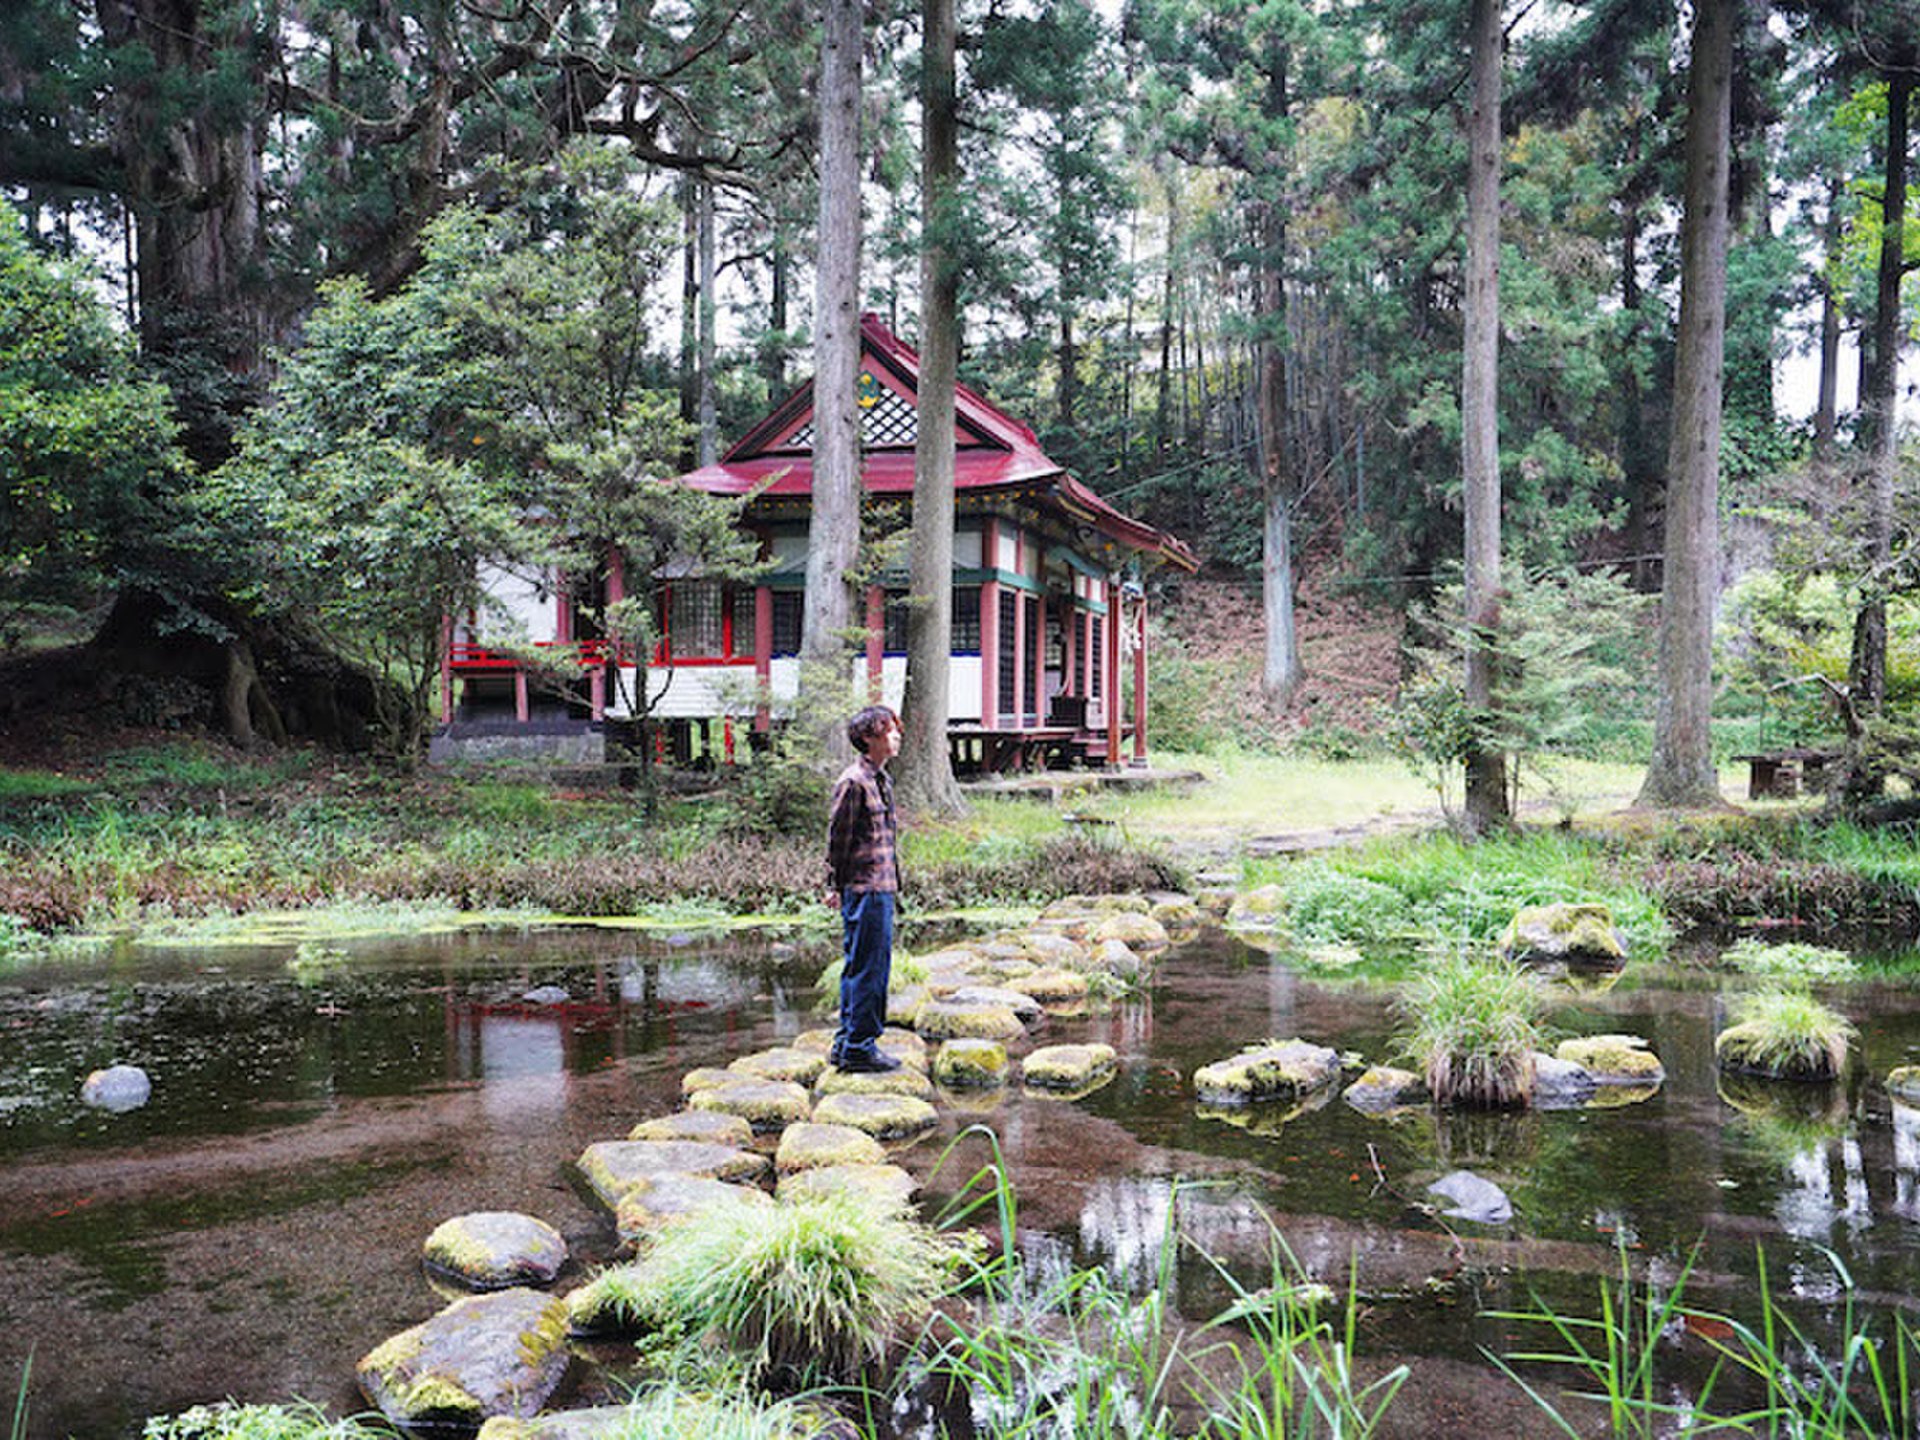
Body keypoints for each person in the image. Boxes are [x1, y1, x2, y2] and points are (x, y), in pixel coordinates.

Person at [825, 704, 904, 1073]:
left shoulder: (881, 780)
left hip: (881, 887)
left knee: (866, 965)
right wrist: (833, 886)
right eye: (889, 731)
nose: (896, 736)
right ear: (870, 738)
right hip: (865, 889)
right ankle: (859, 1047)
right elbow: (838, 841)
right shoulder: (853, 782)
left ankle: (847, 1042)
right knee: (868, 968)